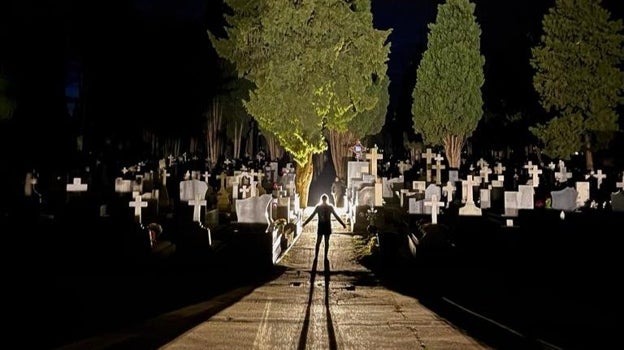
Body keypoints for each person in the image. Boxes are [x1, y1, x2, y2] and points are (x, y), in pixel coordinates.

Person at [302, 194, 346, 262]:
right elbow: (336, 216)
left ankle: (316, 256)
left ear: (321, 199)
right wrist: (343, 224)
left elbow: (311, 216)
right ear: (327, 200)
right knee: (326, 242)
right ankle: (325, 256)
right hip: (327, 226)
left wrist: (305, 223)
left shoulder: (318, 207)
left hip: (321, 226)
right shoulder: (330, 207)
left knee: (318, 242)